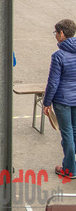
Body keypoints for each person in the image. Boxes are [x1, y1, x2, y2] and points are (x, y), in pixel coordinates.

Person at [43, 19, 76, 180]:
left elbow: (53, 83)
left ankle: (69, 169)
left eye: (56, 32)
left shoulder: (58, 56)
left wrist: (46, 102)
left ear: (62, 34)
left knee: (67, 134)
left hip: (63, 100)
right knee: (75, 132)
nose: (55, 35)